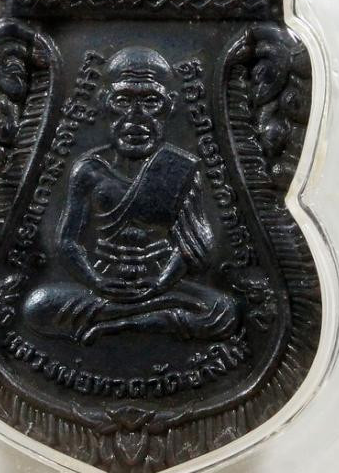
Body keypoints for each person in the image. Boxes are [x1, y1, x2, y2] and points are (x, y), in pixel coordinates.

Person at [22, 46, 239, 345]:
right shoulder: (89, 170)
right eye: (123, 101)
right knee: (38, 305)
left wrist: (160, 282)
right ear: (104, 102)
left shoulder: (180, 168)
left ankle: (119, 325)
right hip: (102, 283)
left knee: (223, 310)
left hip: (160, 284)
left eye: (151, 102)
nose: (136, 117)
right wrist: (96, 281)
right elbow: (68, 241)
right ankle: (145, 320)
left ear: (170, 105)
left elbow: (193, 248)